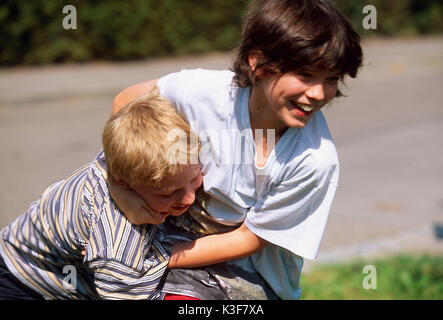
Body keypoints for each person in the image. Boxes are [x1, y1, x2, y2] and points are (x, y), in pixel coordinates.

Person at [111, 0, 363, 299]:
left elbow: (249, 238)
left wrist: (155, 259)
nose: (319, 93)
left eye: (332, 78)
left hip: (246, 277)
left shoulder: (313, 161)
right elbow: (124, 103)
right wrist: (121, 189)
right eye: (307, 75)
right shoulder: (203, 92)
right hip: (164, 236)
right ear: (258, 64)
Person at [0, 91, 203, 299]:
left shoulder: (128, 152)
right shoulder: (119, 246)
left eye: (195, 178)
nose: (189, 198)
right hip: (25, 281)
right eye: (169, 193)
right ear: (124, 182)